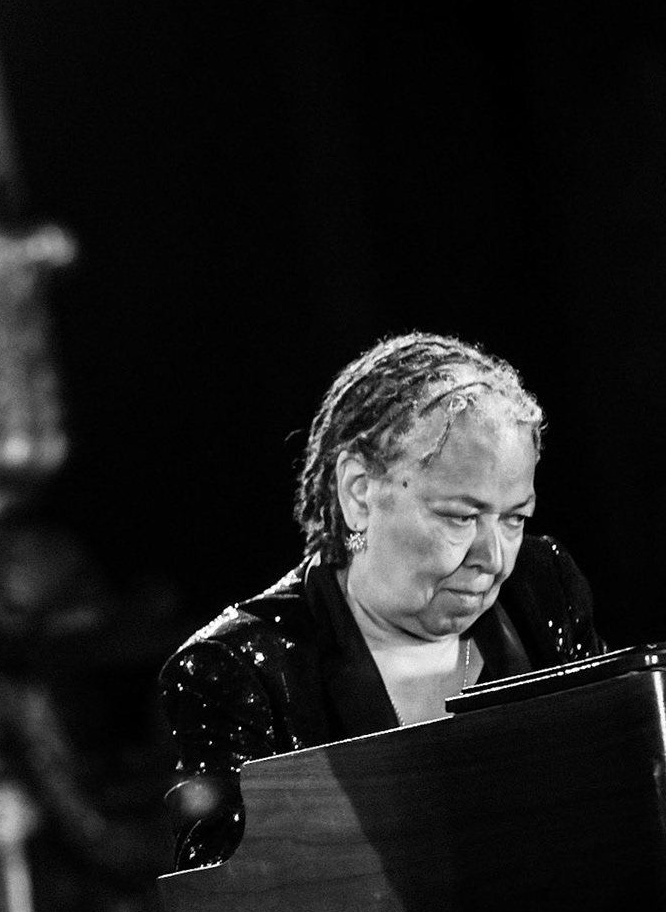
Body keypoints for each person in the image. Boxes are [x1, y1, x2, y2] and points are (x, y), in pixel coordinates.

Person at [159, 332, 606, 869]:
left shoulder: (542, 589)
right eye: (460, 516)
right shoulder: (238, 671)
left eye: (514, 518)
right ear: (359, 492)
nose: (493, 557)